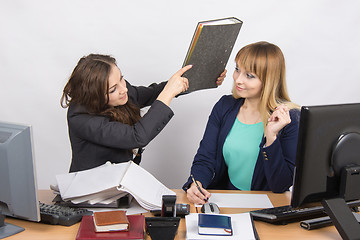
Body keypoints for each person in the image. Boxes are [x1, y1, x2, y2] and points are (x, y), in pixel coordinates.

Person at [61, 54, 226, 172]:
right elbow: (136, 137)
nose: (123, 88)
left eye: (121, 78)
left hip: (118, 186)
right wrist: (168, 94)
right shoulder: (80, 118)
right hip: (89, 194)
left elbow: (153, 92)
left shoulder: (121, 93)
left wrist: (203, 78)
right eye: (113, 89)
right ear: (94, 96)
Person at [183, 41, 301, 204]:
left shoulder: (290, 119)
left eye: (250, 76)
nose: (238, 79)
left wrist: (271, 137)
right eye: (237, 69)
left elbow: (281, 185)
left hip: (267, 206)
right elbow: (205, 157)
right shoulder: (225, 106)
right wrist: (197, 183)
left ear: (269, 80)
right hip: (226, 199)